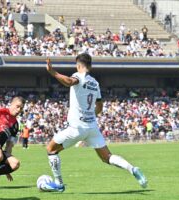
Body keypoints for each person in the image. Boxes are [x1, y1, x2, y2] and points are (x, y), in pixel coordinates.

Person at [45, 53, 148, 192]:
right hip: (92, 127)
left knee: (51, 149)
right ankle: (132, 168)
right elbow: (99, 107)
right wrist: (90, 115)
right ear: (91, 66)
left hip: (77, 127)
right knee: (107, 157)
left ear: (78, 64)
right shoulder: (95, 83)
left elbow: (69, 82)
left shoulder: (78, 76)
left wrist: (53, 72)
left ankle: (59, 184)